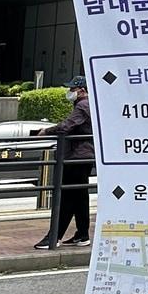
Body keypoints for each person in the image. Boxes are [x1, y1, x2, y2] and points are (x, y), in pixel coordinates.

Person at [33, 85, 94, 249]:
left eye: (72, 89)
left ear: (81, 90)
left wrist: (45, 131)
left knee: (67, 196)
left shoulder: (83, 105)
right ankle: (82, 235)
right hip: (85, 156)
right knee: (80, 197)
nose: (70, 92)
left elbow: (66, 126)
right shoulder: (91, 104)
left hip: (77, 156)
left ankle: (54, 237)